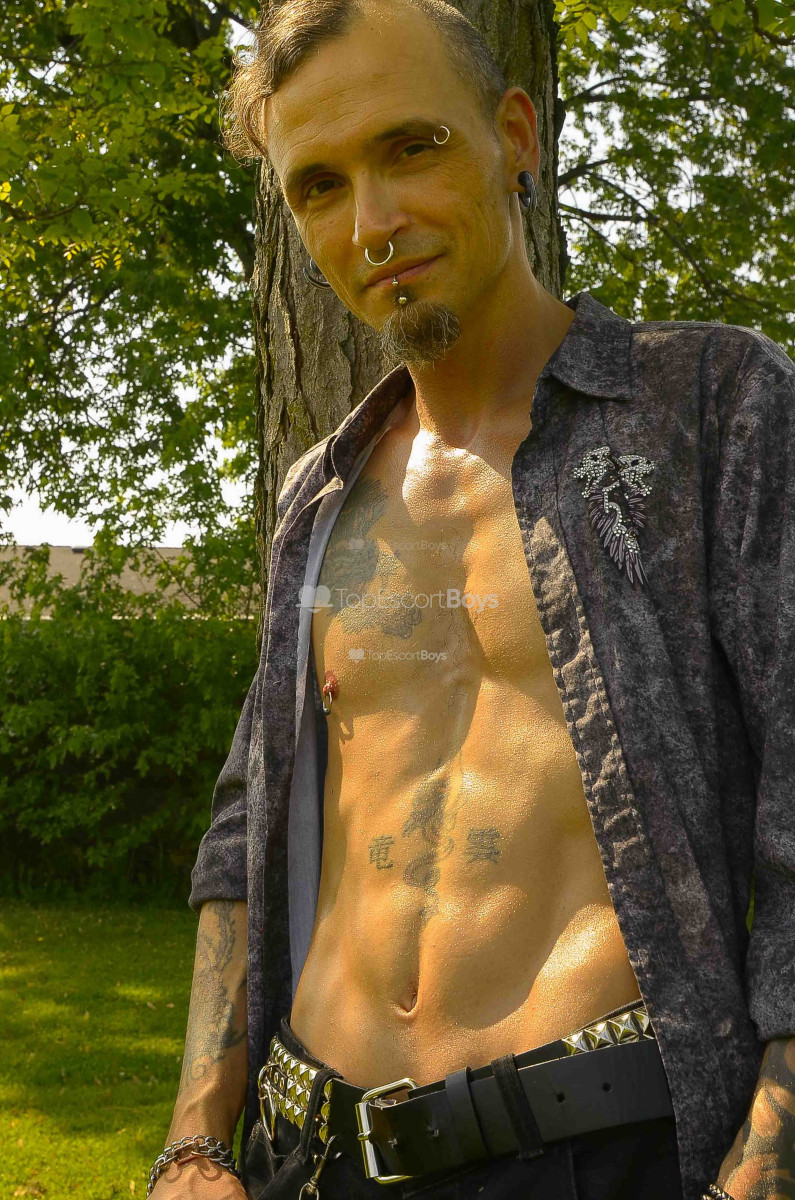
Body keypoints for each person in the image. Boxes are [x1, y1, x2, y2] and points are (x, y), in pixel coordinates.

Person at [146, 2, 795, 1198]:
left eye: (412, 147)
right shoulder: (319, 498)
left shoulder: (714, 409)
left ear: (516, 137)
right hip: (305, 1156)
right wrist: (195, 1139)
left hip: (599, 1151)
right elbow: (248, 825)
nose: (373, 223)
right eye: (320, 186)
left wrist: (764, 1167)